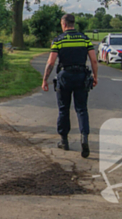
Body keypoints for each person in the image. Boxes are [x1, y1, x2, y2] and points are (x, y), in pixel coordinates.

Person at [41, 14, 98, 158]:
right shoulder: (85, 39)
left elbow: (51, 62)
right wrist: (95, 77)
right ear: (73, 23)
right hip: (81, 76)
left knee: (63, 109)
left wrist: (44, 80)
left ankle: (64, 141)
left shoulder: (58, 40)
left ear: (64, 24)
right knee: (82, 109)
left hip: (65, 76)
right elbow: (94, 60)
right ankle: (84, 138)